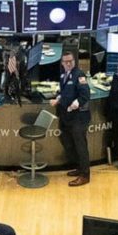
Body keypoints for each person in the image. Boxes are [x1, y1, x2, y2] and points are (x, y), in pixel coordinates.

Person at [51, 51, 91, 186]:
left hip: (78, 117)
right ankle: (79, 167)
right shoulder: (63, 74)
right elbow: (64, 92)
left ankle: (85, 175)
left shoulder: (79, 75)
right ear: (62, 63)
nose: (68, 63)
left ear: (74, 61)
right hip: (66, 117)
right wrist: (58, 99)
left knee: (80, 146)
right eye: (66, 61)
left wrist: (75, 104)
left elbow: (85, 95)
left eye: (70, 61)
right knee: (67, 142)